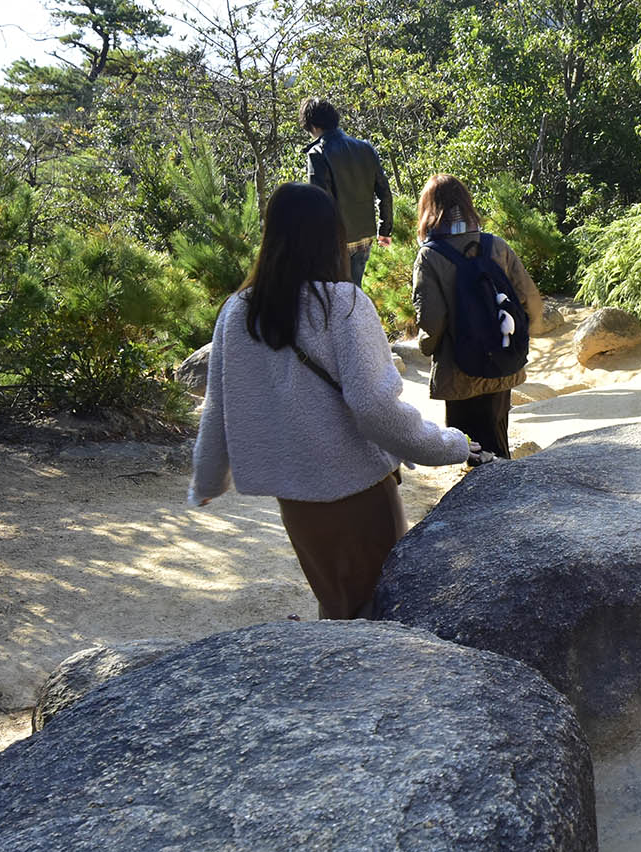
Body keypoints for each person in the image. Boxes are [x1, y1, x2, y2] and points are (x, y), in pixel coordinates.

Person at [189, 182, 476, 620]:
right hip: (358, 491)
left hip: (296, 500)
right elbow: (376, 408)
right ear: (330, 238)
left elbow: (219, 408)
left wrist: (208, 480)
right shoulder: (343, 305)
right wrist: (449, 445)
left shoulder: (238, 311)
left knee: (337, 603)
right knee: (378, 607)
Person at [411, 174, 543, 457]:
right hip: (501, 363)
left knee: (470, 448)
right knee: (497, 437)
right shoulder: (496, 245)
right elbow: (529, 299)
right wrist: (508, 336)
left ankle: (484, 499)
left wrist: (427, 348)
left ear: (429, 209)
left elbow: (432, 320)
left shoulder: (429, 257)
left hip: (459, 369)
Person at [300, 97, 393, 286]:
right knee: (354, 294)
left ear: (313, 125)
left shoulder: (317, 153)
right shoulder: (366, 147)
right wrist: (384, 229)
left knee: (333, 301)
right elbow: (384, 191)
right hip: (365, 237)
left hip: (336, 242)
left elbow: (319, 204)